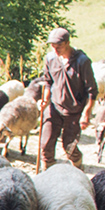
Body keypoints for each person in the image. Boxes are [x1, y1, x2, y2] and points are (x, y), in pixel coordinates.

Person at [35, 26, 97, 170]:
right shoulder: (50, 59)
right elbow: (48, 82)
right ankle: (47, 175)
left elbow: (92, 91)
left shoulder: (82, 62)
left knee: (69, 147)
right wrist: (45, 99)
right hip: (54, 107)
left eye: (59, 46)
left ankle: (78, 169)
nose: (56, 50)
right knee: (46, 145)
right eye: (53, 46)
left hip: (74, 110)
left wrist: (86, 114)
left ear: (68, 43)